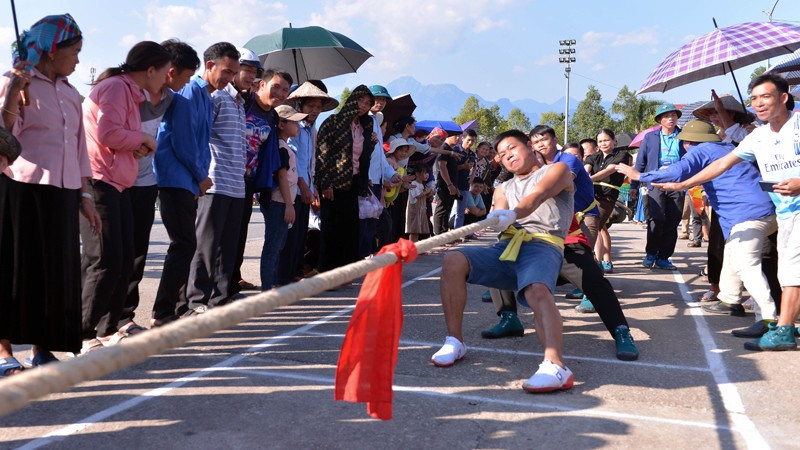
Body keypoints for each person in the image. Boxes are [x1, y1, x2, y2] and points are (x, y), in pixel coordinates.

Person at [653, 73, 800, 351]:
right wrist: (684, 183)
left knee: (787, 272)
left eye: (765, 96)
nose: (758, 103)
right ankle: (782, 326)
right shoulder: (759, 137)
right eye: (754, 98)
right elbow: (722, 164)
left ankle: (781, 326)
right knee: (788, 274)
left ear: (783, 98)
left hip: (766, 212)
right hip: (784, 212)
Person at [431, 129, 576, 393]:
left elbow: (538, 196)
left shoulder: (558, 171)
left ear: (531, 147)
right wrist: (497, 216)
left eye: (512, 148)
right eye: (501, 154)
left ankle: (556, 366)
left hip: (542, 245)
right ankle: (455, 341)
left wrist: (514, 213)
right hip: (506, 247)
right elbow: (498, 209)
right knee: (453, 259)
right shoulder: (503, 187)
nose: (507, 156)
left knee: (537, 290)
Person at [617, 120, 779, 338]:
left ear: (687, 141)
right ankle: (730, 298)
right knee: (732, 252)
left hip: (747, 214)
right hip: (766, 210)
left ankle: (768, 318)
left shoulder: (700, 149)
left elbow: (679, 170)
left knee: (745, 263)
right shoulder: (727, 147)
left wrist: (640, 175)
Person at [0, 14, 95, 370]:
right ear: (52, 51)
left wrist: (85, 198)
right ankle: (4, 352)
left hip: (63, 191)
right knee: (13, 268)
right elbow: (4, 131)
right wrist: (12, 90)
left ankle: (42, 348)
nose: (78, 59)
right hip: (20, 188)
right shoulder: (17, 81)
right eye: (74, 51)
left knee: (52, 272)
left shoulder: (71, 93)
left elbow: (80, 146)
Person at [80, 41, 171, 352]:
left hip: (117, 183)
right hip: (98, 181)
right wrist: (144, 138)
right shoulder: (118, 88)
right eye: (165, 72)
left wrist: (136, 143)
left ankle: (106, 329)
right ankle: (80, 334)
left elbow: (117, 136)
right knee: (104, 260)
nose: (166, 78)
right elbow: (107, 134)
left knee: (121, 258)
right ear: (149, 70)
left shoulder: (132, 94)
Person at [150, 40, 210, 327]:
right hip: (175, 179)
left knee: (185, 243)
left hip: (184, 180)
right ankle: (163, 310)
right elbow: (184, 143)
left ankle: (171, 307)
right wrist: (200, 175)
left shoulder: (192, 96)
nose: (186, 82)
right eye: (186, 76)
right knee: (184, 243)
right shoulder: (184, 97)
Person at [182, 42, 244, 316]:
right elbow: (199, 139)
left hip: (236, 185)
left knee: (227, 248)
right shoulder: (212, 97)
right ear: (210, 65)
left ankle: (218, 300)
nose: (234, 77)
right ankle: (196, 301)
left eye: (237, 72)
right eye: (229, 71)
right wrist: (200, 176)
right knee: (205, 245)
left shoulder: (238, 102)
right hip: (214, 181)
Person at [231, 69, 293, 293]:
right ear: (261, 85)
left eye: (285, 90)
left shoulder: (273, 117)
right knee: (222, 235)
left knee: (239, 234)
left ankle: (231, 283)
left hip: (248, 182)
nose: (280, 92)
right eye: (276, 86)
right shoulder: (245, 101)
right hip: (227, 176)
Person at [279, 81, 338, 284]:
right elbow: (295, 161)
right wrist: (304, 186)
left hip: (306, 188)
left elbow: (311, 163)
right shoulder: (295, 129)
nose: (314, 111)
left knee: (300, 236)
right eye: (310, 106)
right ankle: (284, 275)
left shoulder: (311, 129)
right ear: (300, 106)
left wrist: (312, 190)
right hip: (294, 187)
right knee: (290, 234)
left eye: (318, 107)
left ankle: (296, 272)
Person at [315, 85, 375, 273]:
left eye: (367, 103)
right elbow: (322, 154)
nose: (364, 106)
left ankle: (344, 273)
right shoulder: (334, 122)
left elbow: (361, 156)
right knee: (332, 229)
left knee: (349, 229)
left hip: (353, 182)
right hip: (333, 183)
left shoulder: (365, 126)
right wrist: (325, 183)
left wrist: (371, 143)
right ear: (352, 100)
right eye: (361, 101)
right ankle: (326, 272)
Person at [631, 102, 686, 270]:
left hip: (676, 183)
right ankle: (650, 254)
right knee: (656, 219)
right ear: (659, 120)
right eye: (667, 116)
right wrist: (634, 184)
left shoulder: (684, 136)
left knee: (673, 220)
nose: (671, 119)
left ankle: (664, 257)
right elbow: (641, 162)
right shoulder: (650, 138)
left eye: (674, 115)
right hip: (655, 182)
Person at [260, 105, 307, 289]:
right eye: (294, 121)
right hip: (278, 201)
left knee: (278, 244)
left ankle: (271, 284)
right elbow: (281, 177)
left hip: (282, 201)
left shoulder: (284, 146)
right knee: (273, 245)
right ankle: (268, 287)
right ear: (281, 124)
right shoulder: (280, 148)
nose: (298, 125)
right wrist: (289, 204)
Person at [584, 129, 632, 274]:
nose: (603, 143)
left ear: (614, 141)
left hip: (607, 198)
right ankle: (604, 260)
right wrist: (584, 177)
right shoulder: (593, 157)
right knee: (599, 228)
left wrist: (587, 180)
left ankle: (597, 263)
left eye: (606, 140)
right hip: (590, 196)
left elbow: (609, 171)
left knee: (595, 226)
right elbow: (587, 169)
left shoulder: (622, 155)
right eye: (600, 141)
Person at [433, 133, 464, 234]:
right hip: (444, 185)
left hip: (451, 185)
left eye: (459, 136)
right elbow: (442, 167)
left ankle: (444, 234)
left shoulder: (452, 151)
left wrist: (454, 186)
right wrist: (449, 184)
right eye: (455, 136)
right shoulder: (444, 148)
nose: (458, 138)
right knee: (441, 210)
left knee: (447, 210)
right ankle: (438, 236)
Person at [452, 129, 478, 229]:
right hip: (453, 185)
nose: (470, 143)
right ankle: (446, 234)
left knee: (461, 211)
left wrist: (471, 177)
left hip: (464, 186)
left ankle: (457, 233)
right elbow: (450, 169)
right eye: (469, 140)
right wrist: (463, 166)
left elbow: (474, 167)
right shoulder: (455, 150)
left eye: (473, 141)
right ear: (462, 138)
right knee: (450, 210)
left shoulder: (472, 154)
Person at [405, 163, 433, 242]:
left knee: (420, 230)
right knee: (414, 231)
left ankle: (417, 248)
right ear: (417, 173)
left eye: (427, 173)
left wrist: (429, 195)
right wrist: (426, 192)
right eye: (424, 173)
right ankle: (412, 247)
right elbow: (417, 195)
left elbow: (424, 196)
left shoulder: (422, 185)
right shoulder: (414, 184)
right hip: (414, 211)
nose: (427, 175)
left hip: (421, 210)